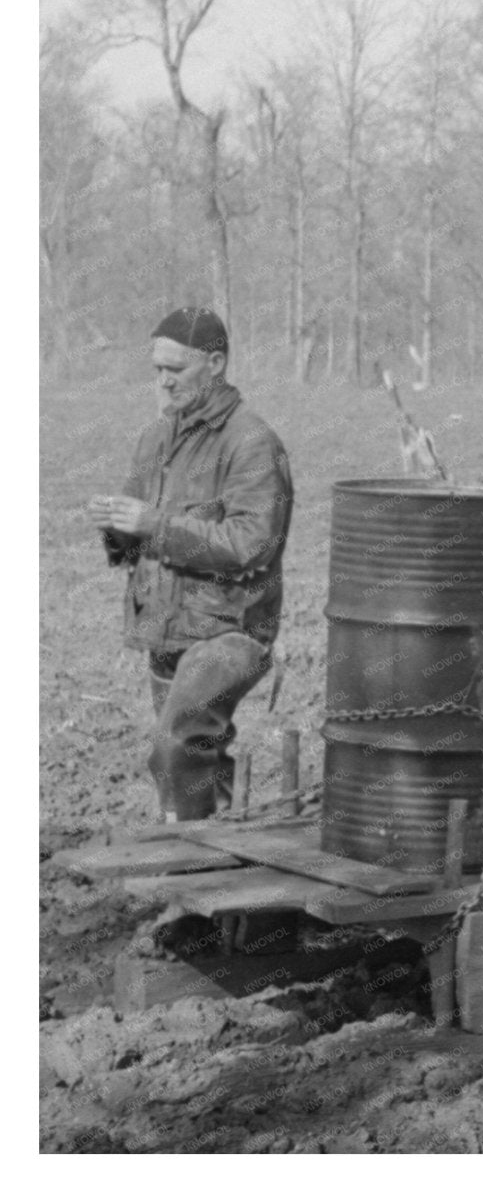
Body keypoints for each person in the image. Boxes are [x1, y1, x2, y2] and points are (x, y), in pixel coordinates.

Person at [89, 308, 293, 822]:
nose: (162, 381)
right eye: (157, 369)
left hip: (229, 631)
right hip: (164, 629)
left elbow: (252, 544)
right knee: (188, 762)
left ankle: (196, 860)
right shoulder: (155, 439)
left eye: (175, 370)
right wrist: (118, 530)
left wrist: (152, 525)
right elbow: (135, 542)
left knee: (176, 741)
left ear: (216, 364)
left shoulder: (251, 442)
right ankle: (205, 875)